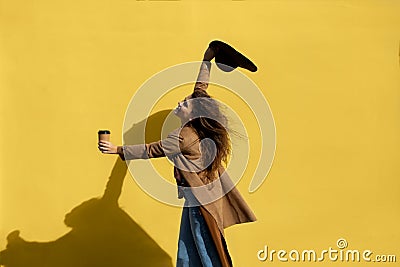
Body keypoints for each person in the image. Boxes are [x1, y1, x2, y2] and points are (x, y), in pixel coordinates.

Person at [98, 41, 257, 267]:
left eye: (184, 104)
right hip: (198, 197)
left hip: (201, 202)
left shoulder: (183, 136)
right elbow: (200, 86)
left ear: (193, 113)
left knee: (205, 247)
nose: (180, 103)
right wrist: (207, 58)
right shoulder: (195, 124)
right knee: (187, 248)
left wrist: (117, 150)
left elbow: (150, 150)